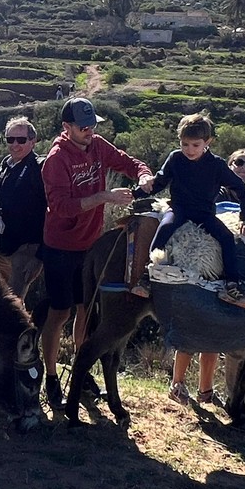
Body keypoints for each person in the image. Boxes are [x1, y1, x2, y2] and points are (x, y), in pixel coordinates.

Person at [40, 98, 153, 411]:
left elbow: (128, 163)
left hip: (91, 245)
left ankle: (81, 369)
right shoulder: (56, 159)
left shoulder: (98, 145)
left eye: (92, 125)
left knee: (86, 312)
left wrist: (143, 175)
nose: (90, 131)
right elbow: (61, 207)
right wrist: (105, 196)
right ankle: (50, 377)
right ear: (67, 127)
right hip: (61, 247)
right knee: (59, 313)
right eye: (83, 127)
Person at [136, 113, 245, 308]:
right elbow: (160, 181)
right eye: (184, 144)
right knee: (165, 228)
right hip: (179, 208)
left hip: (205, 212)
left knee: (226, 238)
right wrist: (137, 192)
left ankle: (232, 285)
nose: (189, 150)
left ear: (207, 142)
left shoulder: (216, 165)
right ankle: (147, 275)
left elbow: (242, 191)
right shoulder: (175, 158)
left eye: (195, 145)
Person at [0, 116, 46, 300]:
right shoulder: (7, 163)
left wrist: (40, 254)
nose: (15, 144)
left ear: (33, 141)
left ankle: (19, 330)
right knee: (4, 299)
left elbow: (52, 210)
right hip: (4, 246)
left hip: (26, 250)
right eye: (10, 139)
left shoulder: (40, 168)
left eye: (21, 140)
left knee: (12, 303)